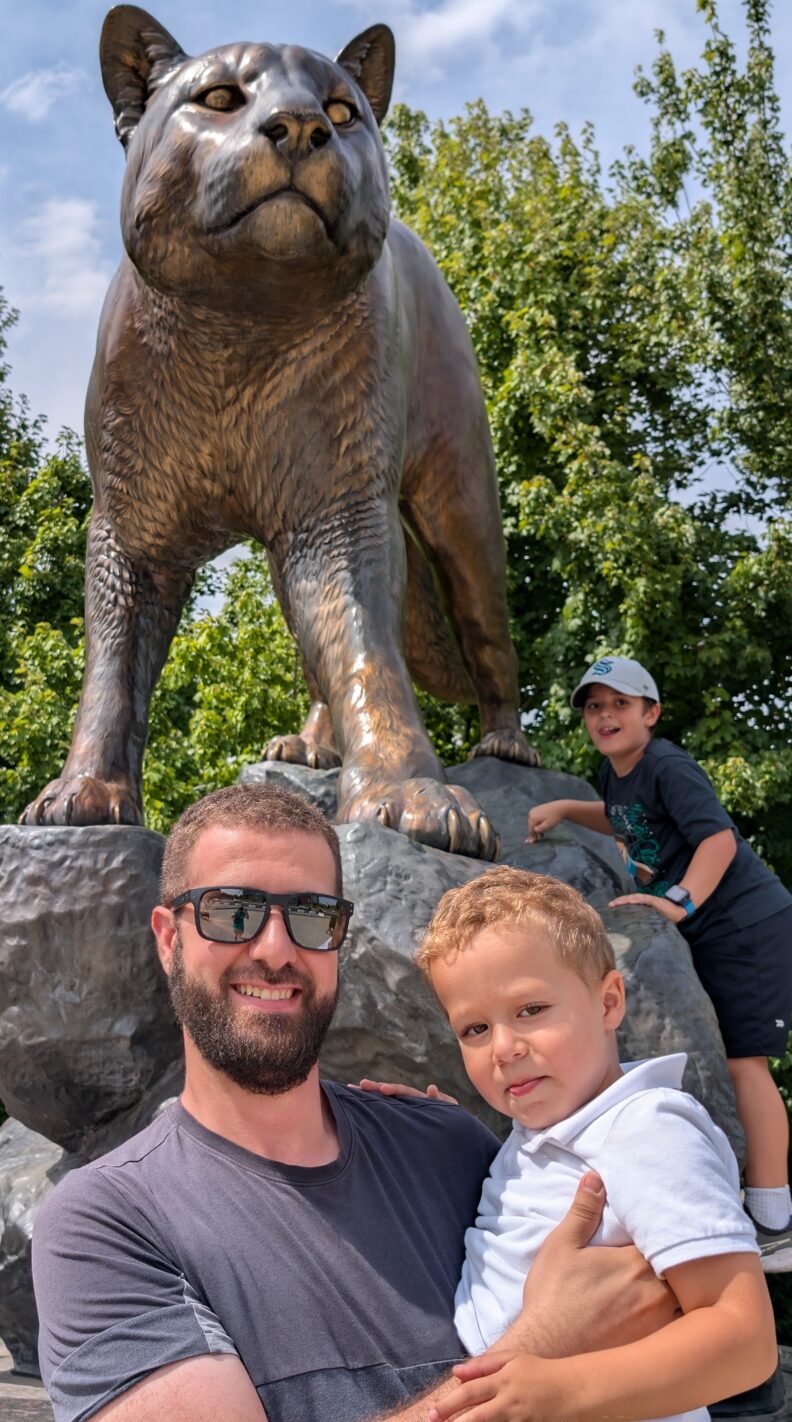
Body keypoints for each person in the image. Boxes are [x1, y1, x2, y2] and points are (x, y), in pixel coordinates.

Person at [31, 783, 676, 1422]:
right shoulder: (106, 1225)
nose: (277, 950)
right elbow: (578, 1322)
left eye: (312, 916)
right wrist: (541, 1344)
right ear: (169, 938)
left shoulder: (451, 1149)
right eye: (231, 912)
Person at [407, 866, 776, 1422]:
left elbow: (745, 1340)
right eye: (474, 1030)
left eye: (530, 1010)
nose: (502, 1048)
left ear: (608, 1003)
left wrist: (558, 1389)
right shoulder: (549, 1130)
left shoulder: (647, 1130)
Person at [526, 656, 792, 1267]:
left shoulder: (667, 764)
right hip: (714, 927)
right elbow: (626, 823)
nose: (605, 716)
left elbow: (718, 839)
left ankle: (775, 1221)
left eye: (619, 704)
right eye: (594, 706)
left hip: (748, 926)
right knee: (732, 1058)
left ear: (651, 713)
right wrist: (569, 807)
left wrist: (677, 903)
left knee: (745, 1063)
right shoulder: (617, 774)